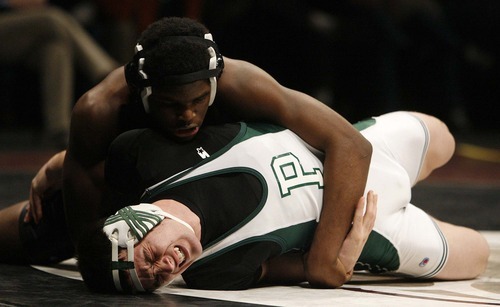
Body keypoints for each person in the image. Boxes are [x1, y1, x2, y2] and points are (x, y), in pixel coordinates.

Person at [11, 16, 372, 288]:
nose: (187, 115)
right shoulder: (100, 109)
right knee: (35, 233)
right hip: (133, 202)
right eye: (170, 105)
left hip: (216, 203)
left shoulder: (242, 82)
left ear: (214, 85)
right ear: (143, 93)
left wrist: (322, 261)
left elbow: (350, 143)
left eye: (200, 101)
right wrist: (69, 166)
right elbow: (89, 241)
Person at [76, 111, 489, 293]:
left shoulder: (162, 159)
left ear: (139, 217)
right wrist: (348, 255)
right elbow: (303, 268)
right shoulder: (213, 271)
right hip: (372, 229)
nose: (165, 269)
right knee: (477, 255)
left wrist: (60, 166)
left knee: (444, 137)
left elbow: (90, 161)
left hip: (363, 150)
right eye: (152, 280)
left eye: (149, 257)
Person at [0, 0, 118, 147]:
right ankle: (108, 73)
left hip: (20, 29)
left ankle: (60, 131)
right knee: (53, 18)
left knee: (57, 49)